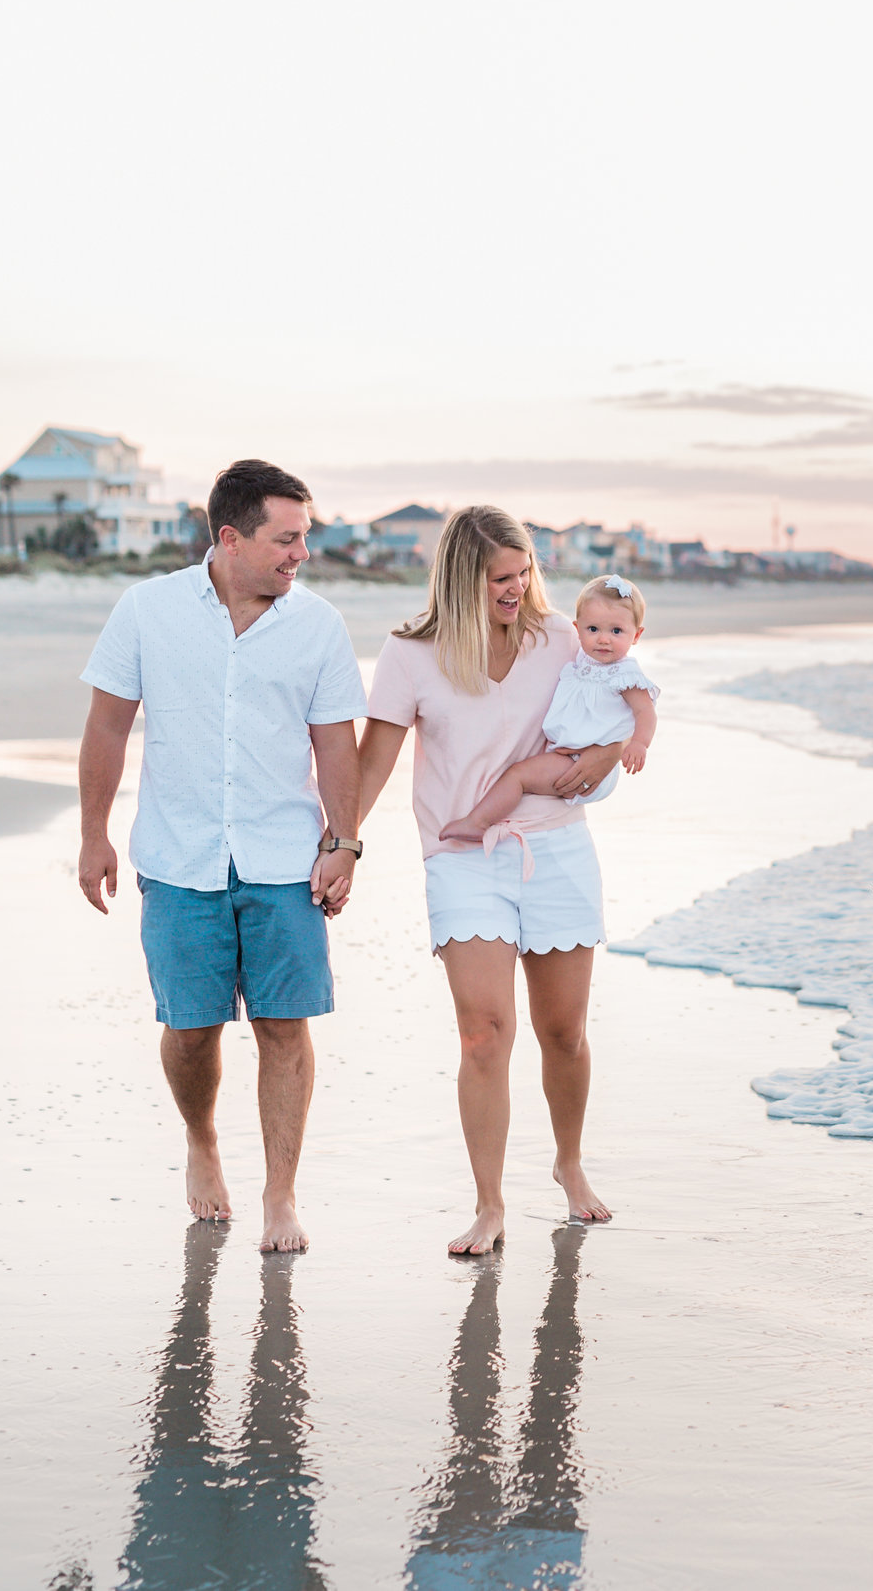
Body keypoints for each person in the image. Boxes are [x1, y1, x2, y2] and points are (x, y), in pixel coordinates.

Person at [75, 460, 367, 1253]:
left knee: (284, 1026)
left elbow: (336, 740)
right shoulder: (147, 610)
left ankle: (280, 1196)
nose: (301, 554)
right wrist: (93, 832)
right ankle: (202, 1142)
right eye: (287, 538)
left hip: (284, 860)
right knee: (191, 1028)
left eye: (305, 537)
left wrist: (344, 843)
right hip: (178, 858)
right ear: (230, 538)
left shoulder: (318, 626)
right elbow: (107, 725)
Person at [353, 506, 622, 1254]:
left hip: (557, 848)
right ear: (461, 579)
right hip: (461, 853)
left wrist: (609, 754)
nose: (517, 587)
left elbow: (628, 692)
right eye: (500, 577)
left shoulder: (562, 639)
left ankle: (569, 1165)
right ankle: (489, 1204)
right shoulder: (412, 652)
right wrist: (342, 838)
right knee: (482, 1033)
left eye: (524, 571)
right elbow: (374, 757)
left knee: (562, 1031)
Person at [441, 572, 660, 845]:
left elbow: (645, 712)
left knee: (518, 776)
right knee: (522, 776)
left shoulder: (624, 674)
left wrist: (639, 744)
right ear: (577, 628)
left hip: (584, 764)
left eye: (616, 631)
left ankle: (477, 822)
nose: (604, 639)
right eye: (593, 630)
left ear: (636, 635)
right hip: (570, 755)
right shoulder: (582, 661)